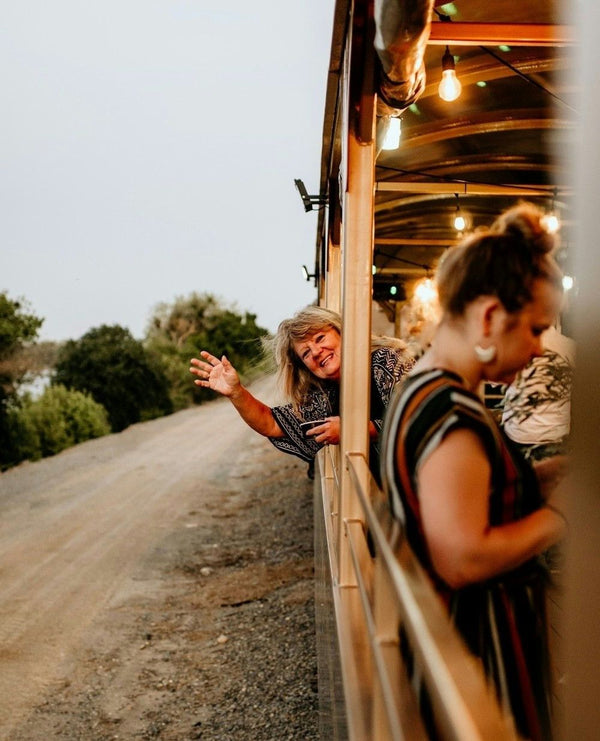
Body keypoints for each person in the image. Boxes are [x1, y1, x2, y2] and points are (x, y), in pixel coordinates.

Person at [380, 203, 567, 741]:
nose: (536, 349)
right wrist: (564, 513)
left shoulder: (423, 388)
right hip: (481, 652)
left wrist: (549, 473)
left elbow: (471, 493)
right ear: (489, 317)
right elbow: (464, 556)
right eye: (535, 329)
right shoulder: (455, 414)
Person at [189, 305, 413, 476]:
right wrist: (236, 392)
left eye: (320, 338)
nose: (316, 351)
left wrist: (354, 430)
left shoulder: (386, 360)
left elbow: (414, 420)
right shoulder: (325, 394)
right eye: (306, 353)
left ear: (342, 333)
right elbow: (271, 423)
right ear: (305, 367)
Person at [502, 324, 575, 461]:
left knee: (521, 480)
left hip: (519, 432)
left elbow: (495, 381)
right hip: (555, 434)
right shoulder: (569, 346)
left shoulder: (514, 346)